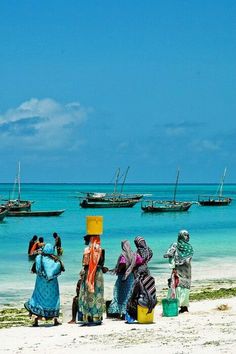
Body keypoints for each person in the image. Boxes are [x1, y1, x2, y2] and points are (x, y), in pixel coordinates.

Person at [24, 243, 65, 326]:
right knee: (53, 299)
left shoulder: (39, 258)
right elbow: (61, 268)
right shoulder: (55, 260)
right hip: (52, 284)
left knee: (38, 298)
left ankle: (35, 319)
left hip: (40, 283)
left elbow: (34, 270)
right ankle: (55, 319)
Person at [107, 240, 144, 319]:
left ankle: (122, 314)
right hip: (131, 276)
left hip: (123, 278)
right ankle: (127, 313)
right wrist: (132, 268)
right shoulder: (134, 254)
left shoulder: (123, 255)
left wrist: (118, 270)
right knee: (129, 294)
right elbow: (140, 261)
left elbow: (122, 263)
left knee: (120, 295)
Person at [78, 234, 108, 326]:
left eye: (86, 239)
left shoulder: (87, 250)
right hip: (98, 274)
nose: (85, 242)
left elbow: (85, 263)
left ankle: (88, 316)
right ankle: (97, 317)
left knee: (87, 294)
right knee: (98, 294)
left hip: (89, 273)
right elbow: (102, 264)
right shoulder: (101, 250)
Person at [126, 236, 157, 322]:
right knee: (146, 290)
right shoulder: (148, 250)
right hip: (146, 271)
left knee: (137, 291)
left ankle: (135, 314)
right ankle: (145, 311)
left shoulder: (138, 252)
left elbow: (136, 261)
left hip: (139, 272)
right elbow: (148, 257)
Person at [163, 229, 194, 313]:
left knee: (184, 287)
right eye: (185, 235)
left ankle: (184, 307)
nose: (188, 237)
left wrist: (175, 259)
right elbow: (168, 254)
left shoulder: (188, 247)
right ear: (181, 236)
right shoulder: (175, 245)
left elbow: (188, 259)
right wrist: (169, 254)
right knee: (176, 286)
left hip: (185, 270)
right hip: (178, 269)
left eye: (188, 235)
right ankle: (177, 305)